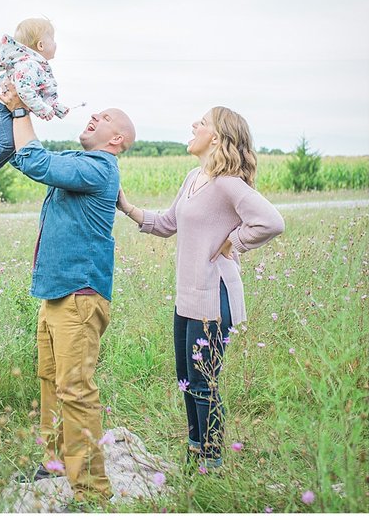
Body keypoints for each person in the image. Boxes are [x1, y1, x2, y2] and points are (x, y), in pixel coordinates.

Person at [115, 106, 284, 470]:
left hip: (213, 295)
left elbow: (271, 222)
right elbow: (166, 223)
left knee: (203, 384)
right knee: (186, 380)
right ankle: (196, 450)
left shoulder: (228, 184)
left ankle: (212, 462)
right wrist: (127, 207)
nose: (194, 125)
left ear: (218, 138)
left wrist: (233, 241)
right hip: (187, 295)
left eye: (202, 123)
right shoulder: (194, 177)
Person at [0, 86, 136, 507]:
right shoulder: (82, 161)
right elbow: (38, 154)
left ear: (117, 140)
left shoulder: (99, 167)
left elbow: (34, 161)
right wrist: (17, 108)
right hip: (56, 292)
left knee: (75, 389)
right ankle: (54, 463)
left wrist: (21, 106)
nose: (94, 115)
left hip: (79, 294)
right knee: (49, 382)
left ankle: (91, 492)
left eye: (106, 116)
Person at [0, 17, 80, 194]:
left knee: (15, 144)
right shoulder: (29, 64)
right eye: (52, 39)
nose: (56, 44)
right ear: (41, 45)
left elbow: (43, 93)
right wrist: (42, 109)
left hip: (7, 109)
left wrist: (57, 108)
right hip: (0, 109)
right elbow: (24, 91)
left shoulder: (37, 66)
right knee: (8, 144)